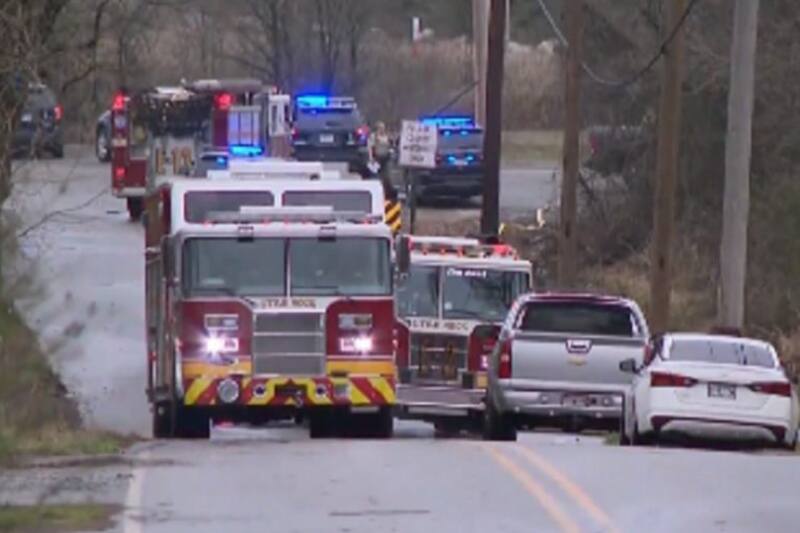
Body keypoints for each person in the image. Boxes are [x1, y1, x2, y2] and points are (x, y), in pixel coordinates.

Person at [368, 121, 394, 195]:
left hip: (385, 159)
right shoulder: (374, 136)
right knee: (376, 177)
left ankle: (387, 192)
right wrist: (371, 158)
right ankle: (377, 192)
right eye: (380, 128)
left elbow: (390, 146)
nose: (382, 129)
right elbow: (370, 148)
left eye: (383, 128)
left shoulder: (387, 136)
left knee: (386, 176)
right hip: (377, 159)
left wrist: (390, 152)